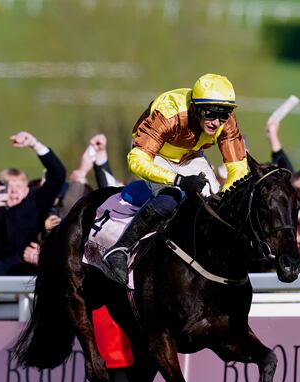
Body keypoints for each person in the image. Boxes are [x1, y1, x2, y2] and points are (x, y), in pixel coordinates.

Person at [102, 73, 248, 284]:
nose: (217, 122)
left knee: (217, 205)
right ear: (196, 107)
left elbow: (238, 168)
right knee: (169, 198)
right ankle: (119, 249)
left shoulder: (227, 121)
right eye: (210, 114)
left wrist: (226, 196)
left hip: (190, 155)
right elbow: (136, 160)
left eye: (223, 115)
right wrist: (178, 180)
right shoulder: (170, 111)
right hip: (154, 154)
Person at [0, 131, 66, 275]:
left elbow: (58, 174)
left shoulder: (36, 200)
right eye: (9, 186)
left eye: (18, 186)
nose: (13, 191)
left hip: (25, 274)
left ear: (27, 187)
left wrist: (34, 144)